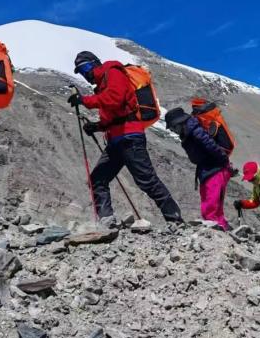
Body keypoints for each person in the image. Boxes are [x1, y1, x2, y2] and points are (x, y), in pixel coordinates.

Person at [68, 51, 182, 225]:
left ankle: (175, 219)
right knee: (98, 179)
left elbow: (116, 99)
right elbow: (113, 115)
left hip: (130, 137)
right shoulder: (101, 85)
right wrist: (97, 126)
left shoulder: (113, 71)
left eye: (85, 68)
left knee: (146, 180)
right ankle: (106, 220)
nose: (86, 74)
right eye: (81, 72)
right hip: (116, 139)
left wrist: (84, 101)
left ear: (95, 63)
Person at [164, 107, 232, 230]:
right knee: (213, 204)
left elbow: (210, 146)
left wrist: (223, 161)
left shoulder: (195, 131)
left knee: (210, 204)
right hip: (209, 170)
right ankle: (222, 228)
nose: (173, 131)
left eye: (173, 127)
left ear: (180, 123)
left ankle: (214, 232)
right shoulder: (191, 131)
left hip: (214, 169)